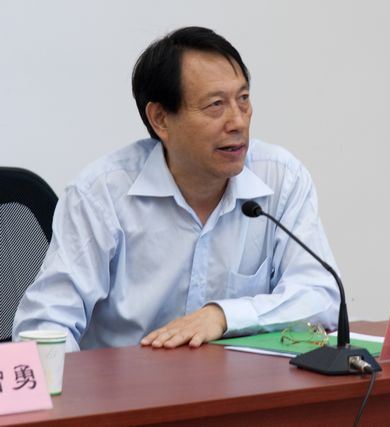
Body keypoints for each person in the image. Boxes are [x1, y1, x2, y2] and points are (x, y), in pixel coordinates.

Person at [12, 26, 339, 352]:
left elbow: (321, 296)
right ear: (160, 119)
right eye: (216, 105)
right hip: (128, 382)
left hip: (239, 381)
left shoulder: (281, 179)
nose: (238, 122)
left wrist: (223, 316)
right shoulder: (102, 194)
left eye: (243, 100)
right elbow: (43, 326)